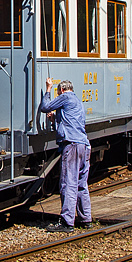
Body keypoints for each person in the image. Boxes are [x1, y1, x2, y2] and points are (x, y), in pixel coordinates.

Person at [38, 78, 92, 233]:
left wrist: (48, 89)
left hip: (72, 145)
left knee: (68, 183)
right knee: (81, 184)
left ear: (61, 90)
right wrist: (55, 119)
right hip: (84, 144)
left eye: (57, 92)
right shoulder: (77, 100)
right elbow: (72, 121)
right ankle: (85, 219)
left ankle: (67, 222)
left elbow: (45, 107)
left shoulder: (65, 97)